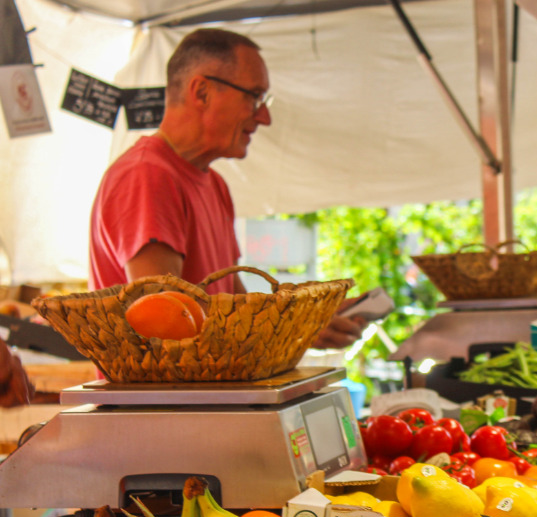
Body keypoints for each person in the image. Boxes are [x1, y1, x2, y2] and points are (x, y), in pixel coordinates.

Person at [89, 28, 363, 349]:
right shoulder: (146, 175)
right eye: (255, 96)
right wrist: (291, 326)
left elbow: (236, 307)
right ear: (202, 92)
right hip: (162, 401)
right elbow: (166, 324)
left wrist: (309, 315)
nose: (264, 117)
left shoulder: (214, 183)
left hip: (209, 397)